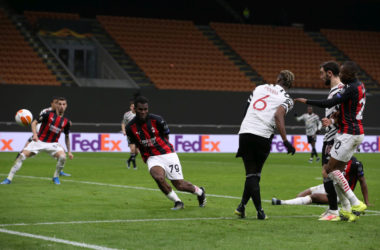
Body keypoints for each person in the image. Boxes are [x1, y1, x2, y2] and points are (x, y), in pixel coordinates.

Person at [295, 61, 367, 221]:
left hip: (348, 133)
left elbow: (329, 103)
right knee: (336, 172)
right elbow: (346, 108)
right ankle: (347, 210)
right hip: (356, 132)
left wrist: (307, 101)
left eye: (343, 73)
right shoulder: (360, 86)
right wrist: (335, 119)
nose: (340, 75)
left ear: (348, 75)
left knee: (329, 170)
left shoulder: (348, 89)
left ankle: (353, 203)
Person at [234, 70, 296, 220]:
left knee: (251, 174)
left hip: (245, 132)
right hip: (263, 135)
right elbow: (278, 115)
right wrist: (286, 141)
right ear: (290, 84)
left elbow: (247, 109)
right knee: (254, 174)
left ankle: (241, 206)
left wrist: (245, 127)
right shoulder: (287, 98)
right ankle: (260, 212)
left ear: (278, 79)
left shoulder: (259, 88)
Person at [125, 96, 206, 210]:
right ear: (135, 109)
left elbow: (166, 135)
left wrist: (163, 147)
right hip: (152, 157)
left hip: (168, 154)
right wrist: (136, 154)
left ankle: (200, 192)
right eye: (140, 109)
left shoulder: (157, 120)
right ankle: (178, 202)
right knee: (158, 178)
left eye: (145, 109)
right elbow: (133, 143)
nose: (143, 112)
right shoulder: (130, 127)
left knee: (180, 185)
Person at [1, 97, 73, 185]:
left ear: (66, 106)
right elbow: (34, 123)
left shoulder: (66, 122)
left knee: (63, 157)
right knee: (22, 156)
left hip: (53, 144)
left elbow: (67, 137)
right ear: (56, 105)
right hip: (39, 141)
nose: (62, 106)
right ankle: (9, 178)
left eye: (64, 104)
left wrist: (69, 151)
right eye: (60, 104)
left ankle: (56, 177)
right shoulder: (47, 114)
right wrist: (35, 135)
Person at [272, 156, 369, 208]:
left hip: (341, 194)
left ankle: (282, 203)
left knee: (314, 197)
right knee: (301, 194)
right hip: (329, 185)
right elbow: (325, 172)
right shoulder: (335, 159)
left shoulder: (356, 164)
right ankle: (290, 202)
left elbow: (362, 182)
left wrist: (366, 202)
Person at [18, 96, 71, 177]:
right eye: (56, 103)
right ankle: (17, 160)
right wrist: (36, 134)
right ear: (53, 103)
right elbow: (39, 121)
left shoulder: (58, 113)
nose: (59, 105)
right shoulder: (46, 111)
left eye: (62, 104)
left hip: (49, 137)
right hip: (40, 134)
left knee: (62, 153)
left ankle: (60, 171)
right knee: (25, 149)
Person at [121, 101, 138, 169]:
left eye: (134, 106)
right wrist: (124, 130)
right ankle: (134, 165)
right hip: (130, 134)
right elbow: (123, 123)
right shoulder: (127, 114)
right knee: (132, 149)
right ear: (130, 107)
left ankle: (128, 161)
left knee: (136, 152)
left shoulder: (139, 114)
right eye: (132, 106)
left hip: (138, 134)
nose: (133, 107)